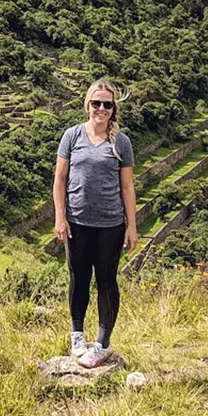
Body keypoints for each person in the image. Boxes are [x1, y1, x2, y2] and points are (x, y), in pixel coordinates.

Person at [53, 79, 138, 368]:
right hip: (77, 221)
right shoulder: (72, 136)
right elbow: (60, 180)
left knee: (106, 280)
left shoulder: (120, 142)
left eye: (107, 104)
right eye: (96, 103)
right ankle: (77, 335)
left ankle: (102, 342)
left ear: (114, 109)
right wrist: (60, 217)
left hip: (110, 224)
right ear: (87, 105)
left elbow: (127, 186)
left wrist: (132, 225)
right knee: (77, 278)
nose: (101, 108)